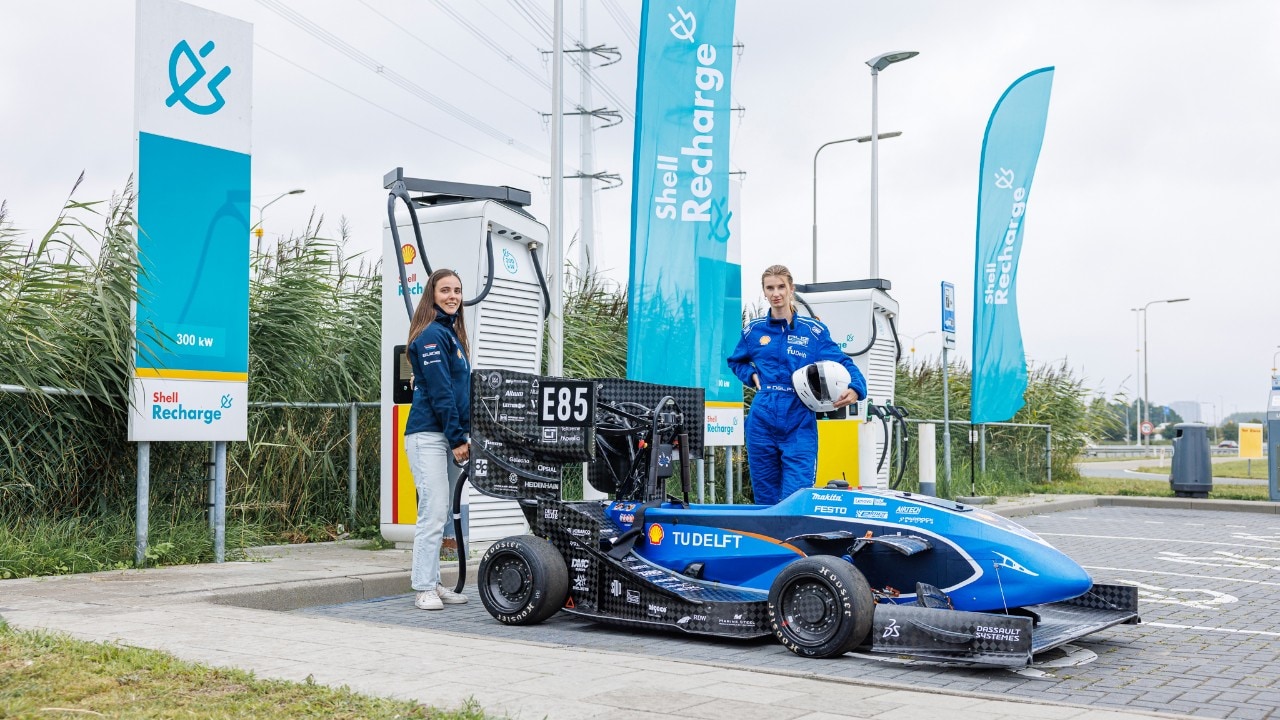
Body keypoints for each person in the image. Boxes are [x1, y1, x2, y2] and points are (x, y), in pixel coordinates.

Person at [727, 264, 867, 505]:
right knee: (765, 499)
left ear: (791, 289)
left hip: (799, 416)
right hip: (762, 417)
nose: (776, 293)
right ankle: (767, 530)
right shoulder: (753, 331)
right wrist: (751, 376)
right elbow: (735, 361)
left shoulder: (813, 331)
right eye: (770, 288)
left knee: (797, 496)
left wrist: (856, 387)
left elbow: (843, 361)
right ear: (764, 292)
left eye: (781, 287)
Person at [404, 269, 472, 610]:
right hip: (428, 435)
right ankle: (422, 588)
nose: (452, 296)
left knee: (441, 510)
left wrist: (465, 433)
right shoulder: (432, 335)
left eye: (457, 290)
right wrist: (458, 437)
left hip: (448, 435)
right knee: (432, 512)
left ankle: (433, 582)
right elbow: (442, 392)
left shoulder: (451, 335)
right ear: (432, 295)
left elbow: (461, 392)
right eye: (445, 290)